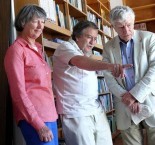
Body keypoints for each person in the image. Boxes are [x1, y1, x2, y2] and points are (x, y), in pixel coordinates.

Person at [52, 20, 131, 145]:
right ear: (77, 36)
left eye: (95, 38)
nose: (93, 42)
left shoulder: (85, 53)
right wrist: (110, 66)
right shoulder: (65, 48)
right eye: (89, 37)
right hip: (76, 112)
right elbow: (80, 62)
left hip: (95, 109)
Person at [4, 4, 58, 145]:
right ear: (23, 22)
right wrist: (38, 124)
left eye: (43, 21)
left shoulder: (40, 50)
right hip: (35, 118)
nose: (41, 26)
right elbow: (18, 93)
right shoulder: (16, 51)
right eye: (35, 21)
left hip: (50, 115)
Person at [102, 5, 155, 145]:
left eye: (129, 25)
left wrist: (135, 95)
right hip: (124, 105)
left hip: (150, 100)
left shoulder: (150, 38)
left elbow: (154, 70)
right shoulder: (108, 47)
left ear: (134, 21)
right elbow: (108, 77)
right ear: (113, 27)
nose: (126, 30)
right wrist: (127, 97)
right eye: (120, 27)